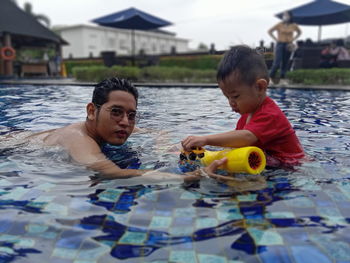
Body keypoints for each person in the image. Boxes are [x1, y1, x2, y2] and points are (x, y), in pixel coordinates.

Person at [26, 77, 226, 182]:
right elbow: (113, 172)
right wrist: (189, 177)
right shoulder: (78, 138)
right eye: (116, 112)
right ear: (91, 111)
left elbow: (157, 132)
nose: (125, 122)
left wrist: (162, 146)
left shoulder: (119, 127)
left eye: (131, 115)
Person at [181, 45, 305, 169]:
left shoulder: (270, 114)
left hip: (291, 167)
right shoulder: (246, 116)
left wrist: (206, 139)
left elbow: (246, 137)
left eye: (235, 96)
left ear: (260, 87)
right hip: (269, 164)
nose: (231, 102)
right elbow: (235, 142)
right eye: (227, 97)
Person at [268, 11, 301, 84]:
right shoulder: (279, 24)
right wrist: (276, 39)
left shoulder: (293, 25)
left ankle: (282, 79)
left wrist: (294, 39)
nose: (285, 16)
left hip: (289, 45)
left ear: (290, 16)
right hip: (280, 44)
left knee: (285, 63)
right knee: (277, 62)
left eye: (286, 15)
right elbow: (270, 31)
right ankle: (270, 77)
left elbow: (299, 32)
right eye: (284, 15)